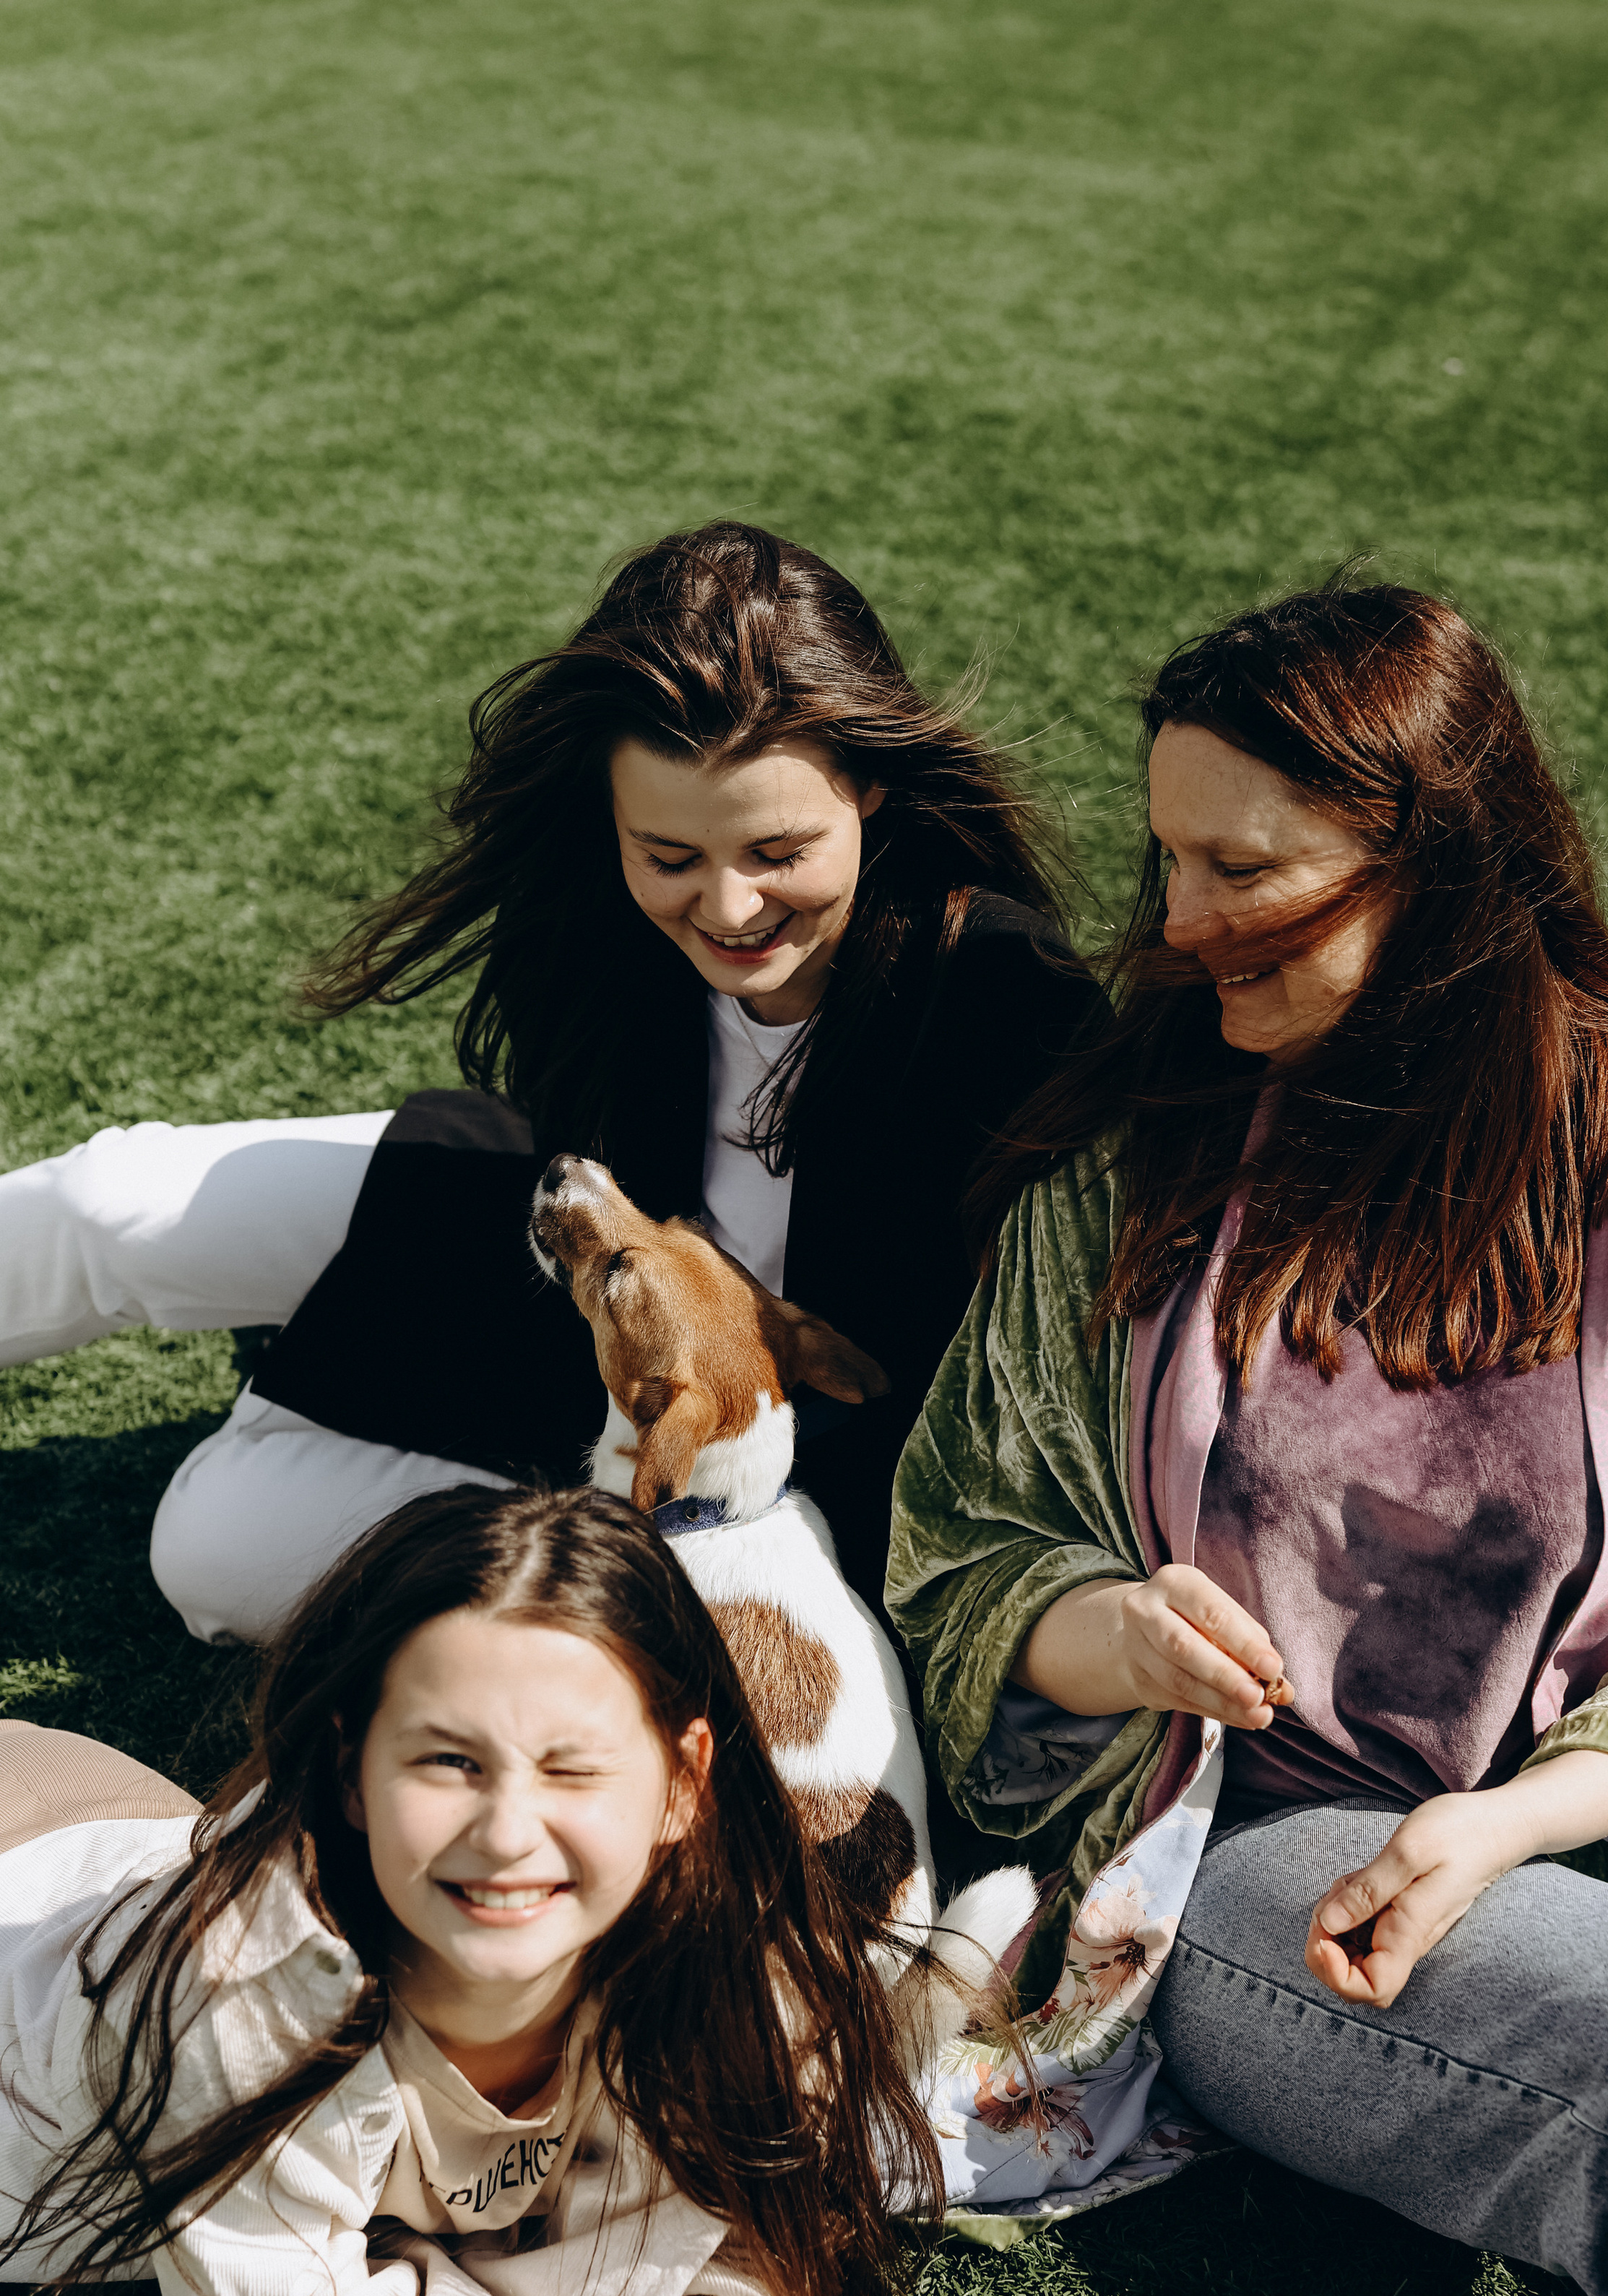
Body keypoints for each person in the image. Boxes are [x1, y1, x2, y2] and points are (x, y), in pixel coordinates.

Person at [886, 580, 1608, 2296]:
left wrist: (1522, 1819)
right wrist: (1113, 1635)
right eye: (1166, 854)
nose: (1178, 919)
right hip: (1277, 1852)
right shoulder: (1133, 1164)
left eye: (1248, 870)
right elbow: (959, 1551)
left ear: (1442, 872)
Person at [0, 522, 1092, 1637]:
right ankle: (300, 1350)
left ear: (868, 789)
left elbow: (995, 1394)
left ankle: (320, 1387)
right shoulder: (585, 919)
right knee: (108, 1203)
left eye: (777, 853)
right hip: (563, 1234)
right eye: (669, 858)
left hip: (716, 1423)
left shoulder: (1002, 993)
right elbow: (568, 1144)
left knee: (218, 1547)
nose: (727, 910)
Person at [0, 1483, 941, 2296]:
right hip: (43, 1920)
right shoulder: (240, 1992)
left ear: (683, 1782)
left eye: (572, 1767)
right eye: (448, 1761)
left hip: (130, 1840)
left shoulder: (750, 1975)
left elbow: (775, 2264)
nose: (509, 1836)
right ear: (351, 1766)